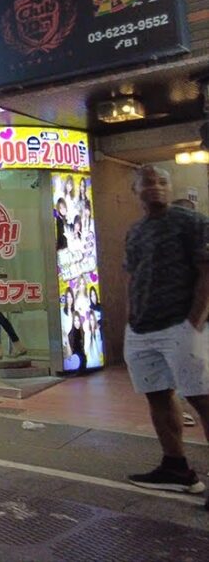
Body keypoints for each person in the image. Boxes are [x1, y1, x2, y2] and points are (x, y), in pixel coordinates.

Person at [121, 165, 209, 501]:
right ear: (136, 190)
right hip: (142, 327)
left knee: (201, 398)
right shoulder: (135, 231)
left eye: (162, 182)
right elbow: (132, 277)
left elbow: (206, 271)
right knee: (157, 394)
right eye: (148, 183)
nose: (156, 187)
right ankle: (176, 468)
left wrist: (195, 322)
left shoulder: (192, 222)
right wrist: (129, 320)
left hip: (181, 324)